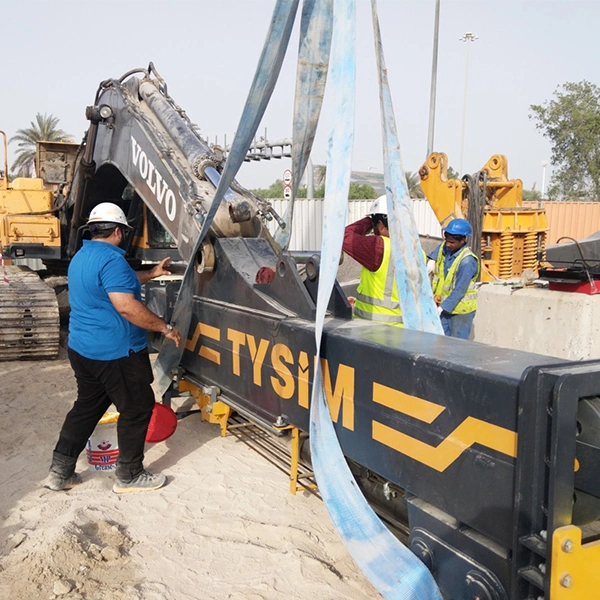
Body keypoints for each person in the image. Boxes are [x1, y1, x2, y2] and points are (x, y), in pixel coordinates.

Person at [45, 202, 182, 494]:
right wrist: (164, 327)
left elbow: (121, 283)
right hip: (116, 353)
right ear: (119, 232)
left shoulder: (83, 256)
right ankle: (129, 474)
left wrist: (153, 273)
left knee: (86, 408)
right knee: (137, 407)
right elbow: (126, 306)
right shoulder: (113, 261)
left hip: (82, 350)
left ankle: (60, 472)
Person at [342, 195, 403, 327]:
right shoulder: (415, 250)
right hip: (403, 329)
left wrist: (369, 221)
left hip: (374, 329)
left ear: (380, 225)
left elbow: (345, 236)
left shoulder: (378, 247)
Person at [429, 218, 480, 339]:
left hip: (460, 312)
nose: (448, 244)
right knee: (441, 344)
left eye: (452, 242)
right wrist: (432, 260)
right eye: (447, 240)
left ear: (462, 240)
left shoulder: (467, 261)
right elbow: (439, 250)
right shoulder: (445, 247)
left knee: (456, 347)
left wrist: (442, 308)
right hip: (444, 307)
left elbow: (459, 290)